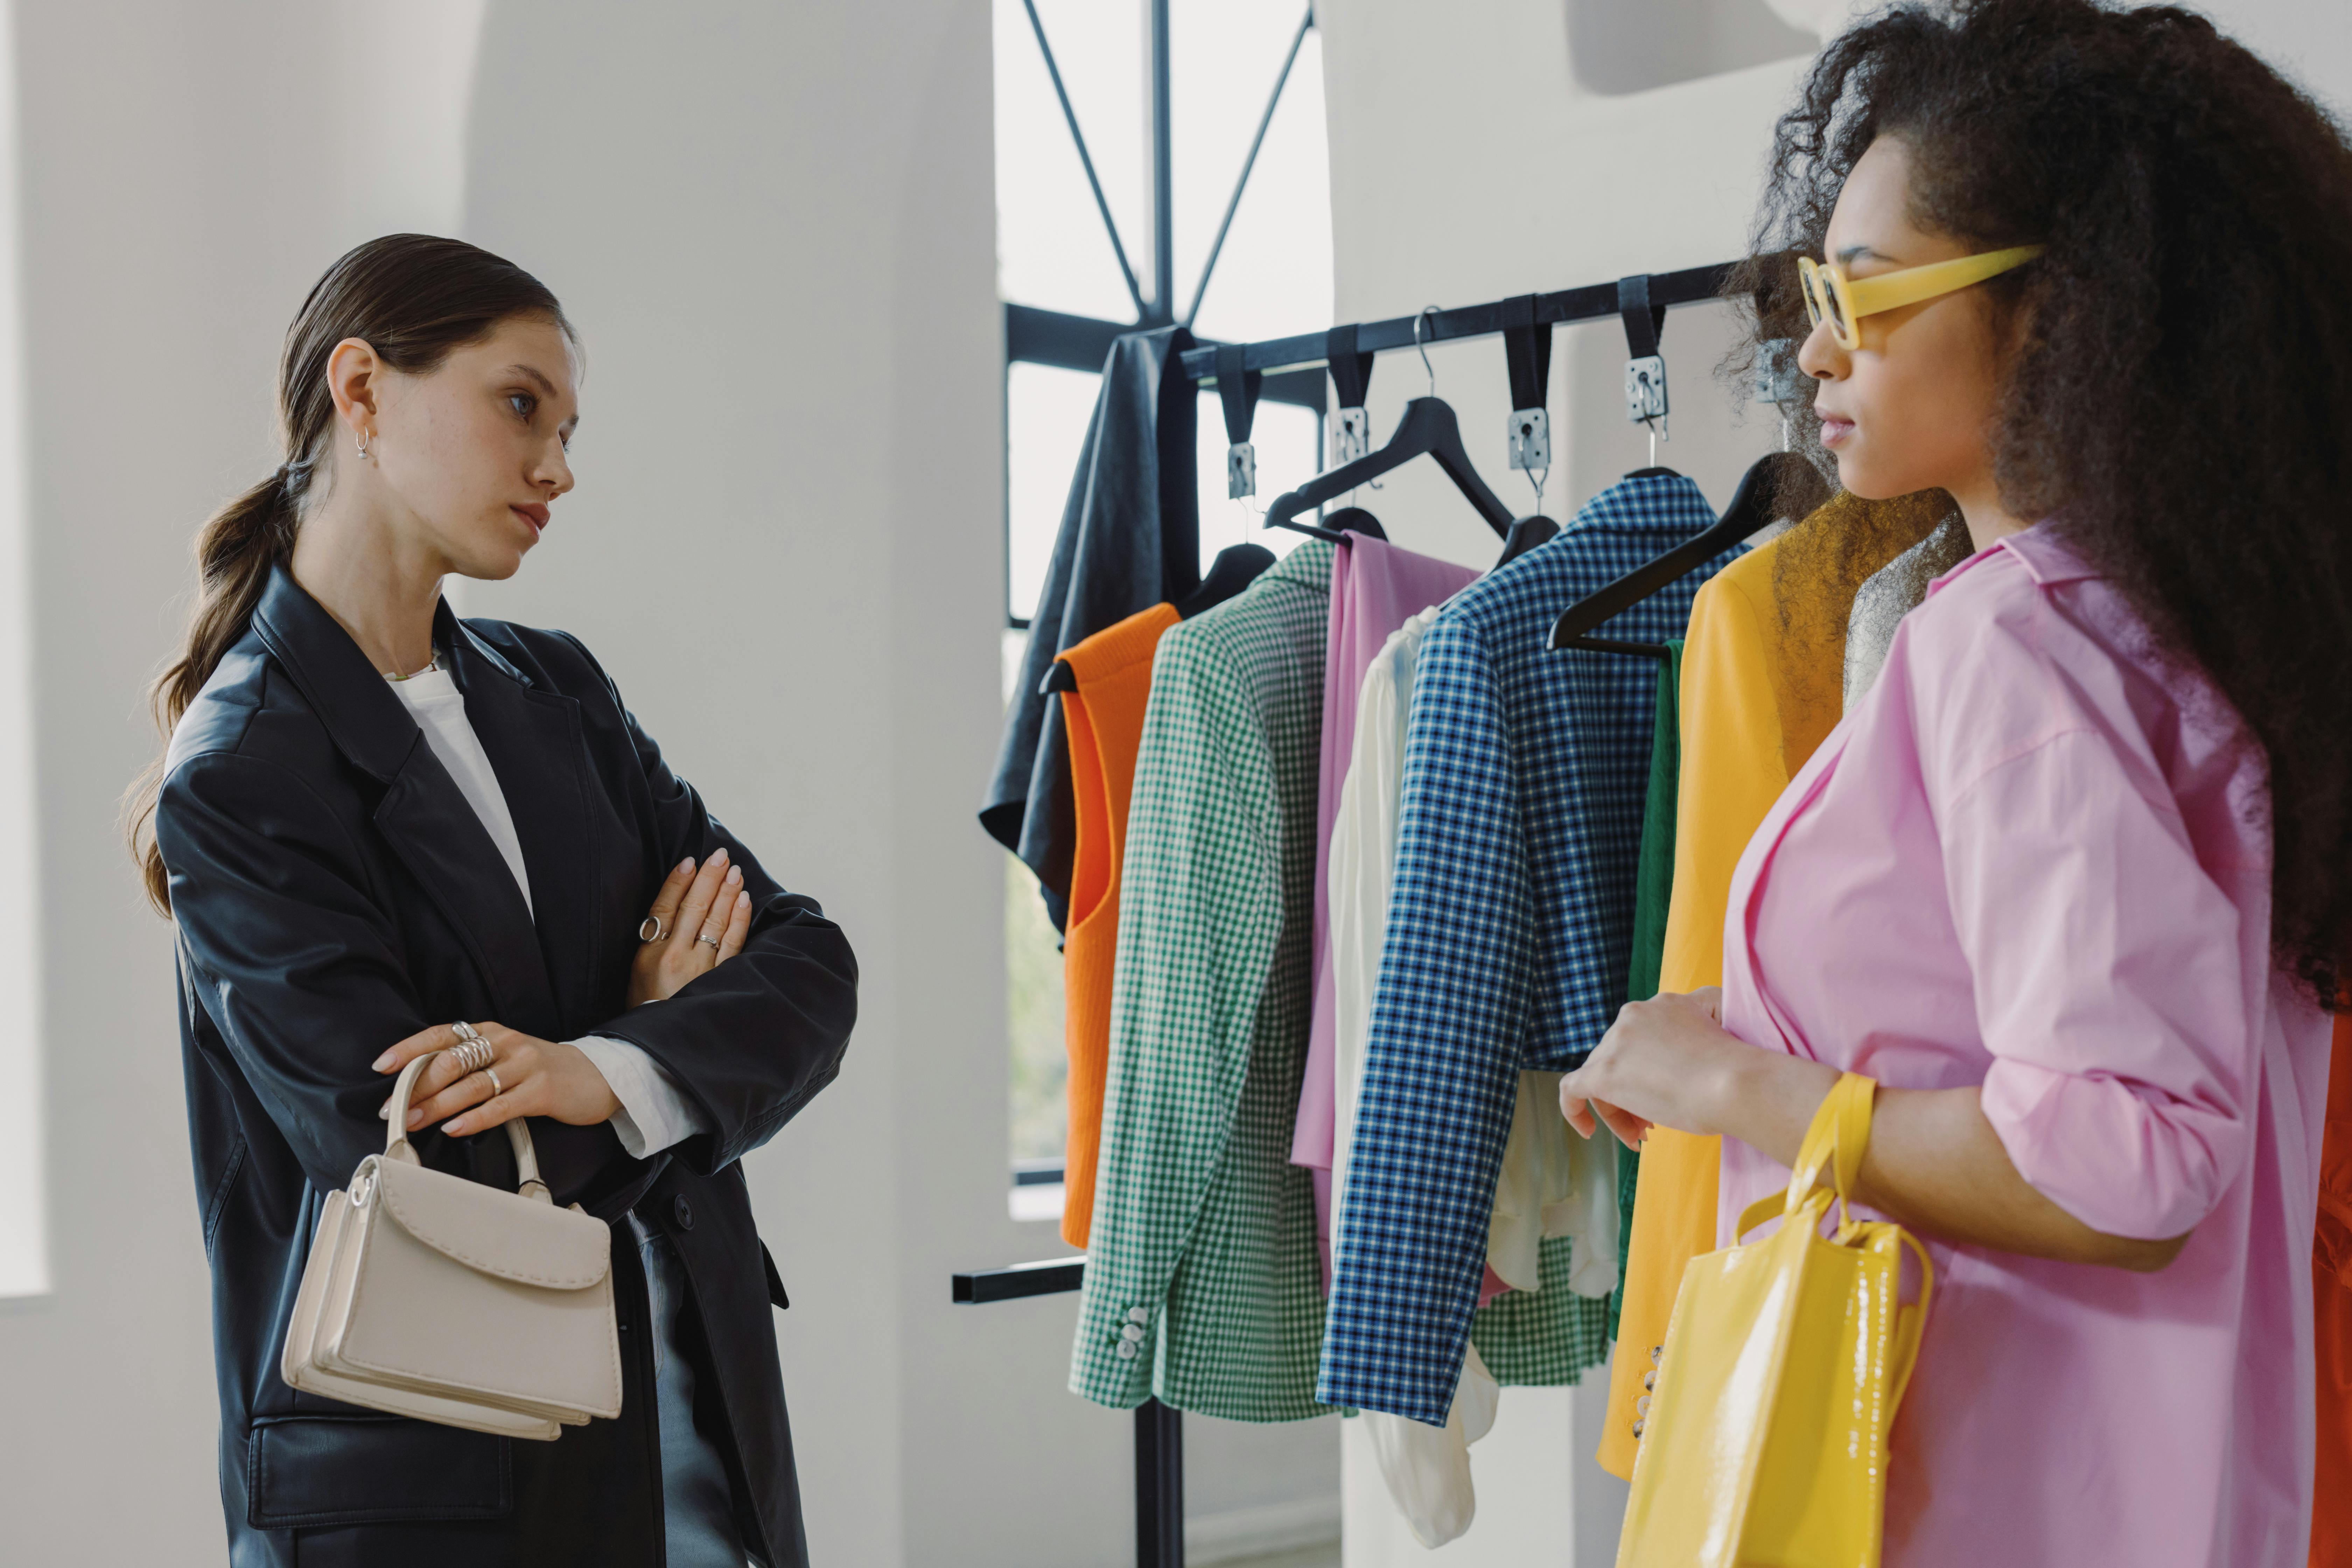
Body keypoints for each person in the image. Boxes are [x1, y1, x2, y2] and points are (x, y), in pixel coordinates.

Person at [1555, 3, 2350, 1563]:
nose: (1816, 346)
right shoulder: (2171, 635)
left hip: (1984, 1491)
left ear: (2061, 315)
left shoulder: (2014, 652)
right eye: (1814, 290)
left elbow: (2133, 1157)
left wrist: (1741, 1091)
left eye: (1864, 291)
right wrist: (1734, 1040)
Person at [126, 234, 858, 1567]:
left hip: (696, 1443)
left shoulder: (558, 691)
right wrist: (650, 1047)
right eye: (522, 405)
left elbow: (810, 962)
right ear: (362, 391)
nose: (560, 467)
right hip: (438, 1498)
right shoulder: (245, 772)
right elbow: (425, 1164)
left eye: (568, 426)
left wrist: (598, 1068)